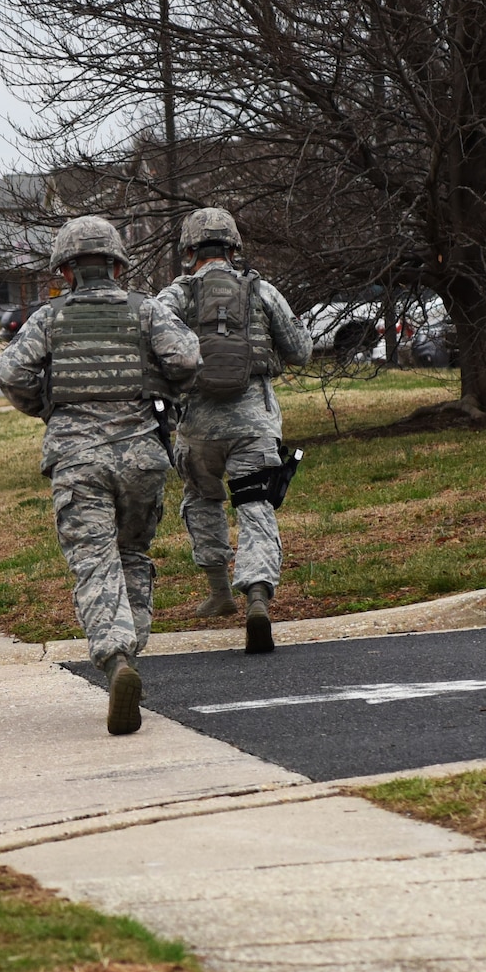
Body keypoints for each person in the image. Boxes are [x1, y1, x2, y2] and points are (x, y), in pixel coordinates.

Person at [0, 215, 198, 735]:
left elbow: (12, 373)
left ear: (66, 269)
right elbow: (187, 357)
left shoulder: (49, 318)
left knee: (94, 562)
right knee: (131, 554)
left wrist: (48, 409)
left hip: (78, 460)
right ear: (116, 264)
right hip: (142, 457)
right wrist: (162, 392)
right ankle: (133, 650)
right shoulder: (147, 310)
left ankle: (116, 659)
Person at [155, 208, 311, 653]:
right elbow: (300, 350)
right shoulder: (260, 290)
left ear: (189, 251)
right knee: (255, 503)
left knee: (201, 498)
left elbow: (156, 353)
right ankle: (257, 595)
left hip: (197, 425)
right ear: (234, 247)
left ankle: (219, 592)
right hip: (254, 422)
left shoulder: (174, 297)